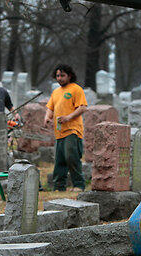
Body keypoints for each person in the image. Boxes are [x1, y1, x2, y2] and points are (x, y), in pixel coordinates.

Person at [43, 64, 87, 192]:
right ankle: (59, 187)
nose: (59, 78)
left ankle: (78, 185)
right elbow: (50, 108)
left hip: (73, 130)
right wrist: (47, 117)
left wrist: (68, 117)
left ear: (69, 76)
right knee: (60, 160)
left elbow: (82, 107)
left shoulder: (76, 89)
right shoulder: (56, 92)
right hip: (59, 132)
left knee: (71, 157)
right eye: (57, 76)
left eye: (62, 75)